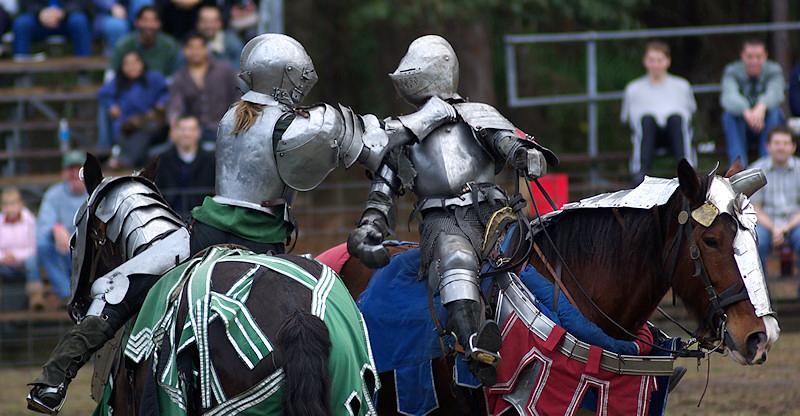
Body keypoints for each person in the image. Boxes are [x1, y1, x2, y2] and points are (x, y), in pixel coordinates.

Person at [347, 35, 555, 386]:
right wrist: (370, 227)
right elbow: (382, 192)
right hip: (443, 222)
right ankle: (475, 346)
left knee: (551, 252)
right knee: (456, 258)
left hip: (496, 213)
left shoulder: (478, 115)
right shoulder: (403, 133)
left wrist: (524, 154)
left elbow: (506, 143)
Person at [189, 33, 446, 256]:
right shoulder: (289, 123)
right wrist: (429, 114)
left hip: (207, 228)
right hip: (255, 233)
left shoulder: (232, 114)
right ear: (284, 75)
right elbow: (375, 143)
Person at [621, 40, 696, 184]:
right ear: (645, 61)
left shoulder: (682, 86)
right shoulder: (633, 89)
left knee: (676, 120)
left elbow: (689, 118)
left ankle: (687, 171)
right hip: (647, 136)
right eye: (651, 60)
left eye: (659, 60)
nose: (655, 65)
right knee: (646, 121)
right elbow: (629, 121)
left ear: (668, 61)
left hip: (674, 134)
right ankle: (641, 173)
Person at [721, 38, 785, 166]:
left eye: (758, 57)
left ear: (765, 56)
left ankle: (767, 166)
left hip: (767, 124)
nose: (754, 61)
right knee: (729, 115)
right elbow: (728, 97)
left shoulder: (774, 70)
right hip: (742, 125)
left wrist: (761, 106)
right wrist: (746, 111)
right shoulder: (732, 71)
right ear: (742, 56)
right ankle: (738, 168)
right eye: (750, 57)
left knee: (774, 112)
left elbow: (776, 93)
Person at [99, 50, 169, 166]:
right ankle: (128, 160)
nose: (132, 67)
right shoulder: (117, 82)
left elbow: (166, 92)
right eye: (127, 64)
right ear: (122, 67)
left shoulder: (153, 78)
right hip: (126, 124)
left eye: (135, 62)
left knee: (144, 132)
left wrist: (161, 103)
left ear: (142, 63)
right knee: (127, 131)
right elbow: (103, 94)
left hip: (148, 121)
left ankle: (125, 161)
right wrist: (111, 105)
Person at [167, 32, 239, 143]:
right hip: (193, 131)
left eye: (200, 47)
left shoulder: (225, 70)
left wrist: (235, 123)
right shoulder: (179, 77)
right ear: (184, 51)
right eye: (191, 48)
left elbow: (237, 98)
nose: (195, 52)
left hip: (224, 127)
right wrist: (174, 124)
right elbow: (176, 105)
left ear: (206, 49)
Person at [36, 151, 88, 303]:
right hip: (64, 252)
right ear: (64, 172)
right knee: (43, 244)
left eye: (78, 169)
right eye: (70, 169)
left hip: (91, 250)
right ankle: (67, 295)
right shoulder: (53, 194)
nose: (74, 173)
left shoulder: (96, 192)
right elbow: (42, 228)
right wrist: (56, 228)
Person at [751, 127, 800, 281]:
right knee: (756, 241)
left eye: (786, 143)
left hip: (795, 223)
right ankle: (762, 298)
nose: (781, 147)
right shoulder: (756, 170)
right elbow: (754, 207)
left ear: (793, 147)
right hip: (765, 223)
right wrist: (774, 228)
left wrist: (786, 227)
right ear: (768, 146)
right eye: (777, 143)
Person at [155, 115, 215, 218]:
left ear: (198, 133)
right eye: (182, 129)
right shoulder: (161, 160)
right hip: (169, 218)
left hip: (203, 218)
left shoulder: (211, 160)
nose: (186, 134)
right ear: (173, 133)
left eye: (191, 129)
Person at [0, 187, 42, 310]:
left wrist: (15, 256)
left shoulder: (30, 221)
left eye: (13, 203)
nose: (10, 207)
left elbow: (33, 247)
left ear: (20, 204)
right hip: (4, 264)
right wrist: (3, 257)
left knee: (32, 261)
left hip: (25, 264)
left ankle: (36, 298)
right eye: (6, 204)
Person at [111, 6, 181, 77]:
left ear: (159, 24)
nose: (149, 25)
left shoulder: (170, 46)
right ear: (136, 22)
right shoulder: (124, 45)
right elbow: (111, 74)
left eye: (153, 21)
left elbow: (176, 76)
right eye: (145, 20)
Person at [12, 0, 91, 59]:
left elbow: (82, 2)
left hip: (67, 18)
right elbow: (25, 2)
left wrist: (63, 12)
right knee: (21, 24)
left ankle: (84, 73)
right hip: (38, 19)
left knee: (79, 21)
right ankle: (22, 74)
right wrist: (40, 12)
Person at [196, 3, 243, 69]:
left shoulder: (232, 42)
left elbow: (239, 70)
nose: (209, 26)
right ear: (198, 23)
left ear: (220, 23)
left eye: (213, 21)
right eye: (205, 21)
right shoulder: (191, 43)